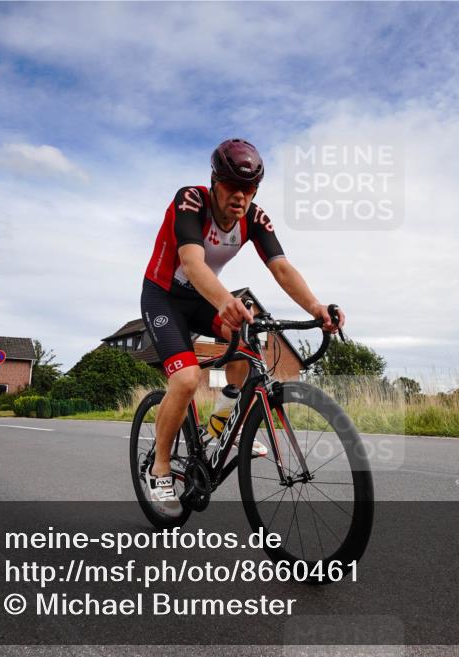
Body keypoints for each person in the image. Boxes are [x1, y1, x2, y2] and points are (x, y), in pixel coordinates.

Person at [140, 138, 344, 515]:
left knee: (250, 340)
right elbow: (193, 261)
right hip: (164, 297)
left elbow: (281, 268)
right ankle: (161, 468)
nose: (241, 196)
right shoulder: (191, 201)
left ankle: (221, 423)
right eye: (233, 186)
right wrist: (224, 301)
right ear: (215, 182)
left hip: (202, 298)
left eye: (249, 189)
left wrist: (316, 306)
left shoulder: (254, 218)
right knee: (184, 381)